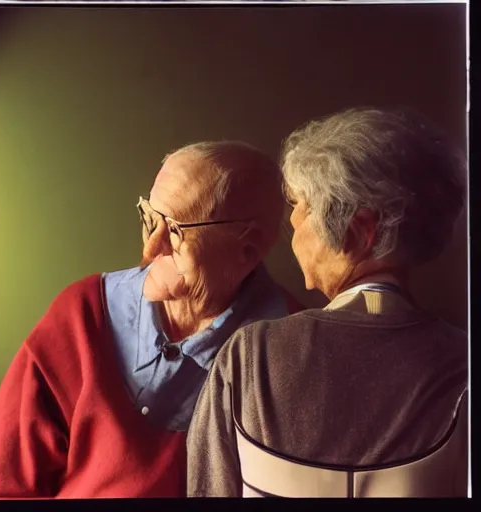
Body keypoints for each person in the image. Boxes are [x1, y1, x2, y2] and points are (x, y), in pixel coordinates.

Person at [0, 140, 303, 498]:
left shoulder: (293, 350)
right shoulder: (83, 311)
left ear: (249, 248)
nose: (150, 249)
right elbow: (5, 482)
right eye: (150, 218)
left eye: (177, 231)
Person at [187, 108, 468, 498]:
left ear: (359, 230)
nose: (294, 225)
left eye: (301, 205)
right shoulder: (465, 366)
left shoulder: (249, 358)